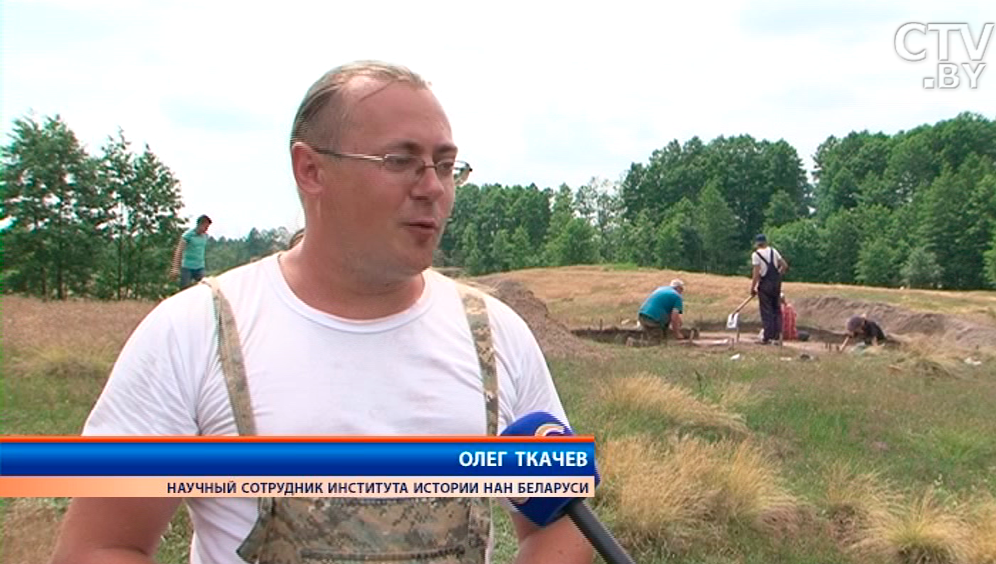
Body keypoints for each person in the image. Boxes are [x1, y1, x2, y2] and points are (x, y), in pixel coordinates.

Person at [50, 61, 592, 564]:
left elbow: (561, 525)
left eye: (446, 165)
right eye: (400, 161)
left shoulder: (498, 338)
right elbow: (102, 545)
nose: (432, 188)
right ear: (310, 170)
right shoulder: (193, 333)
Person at [750, 234, 788, 345]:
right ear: (766, 242)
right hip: (776, 284)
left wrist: (753, 288)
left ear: (757, 244)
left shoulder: (756, 255)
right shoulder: (773, 251)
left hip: (765, 285)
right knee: (776, 309)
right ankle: (777, 336)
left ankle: (767, 337)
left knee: (766, 311)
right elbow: (784, 265)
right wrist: (778, 275)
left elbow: (756, 273)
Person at [170, 215, 213, 289]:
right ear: (200, 224)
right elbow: (179, 251)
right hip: (187, 267)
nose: (206, 229)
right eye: (205, 227)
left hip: (199, 267)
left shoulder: (205, 236)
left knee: (203, 287)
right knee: (185, 289)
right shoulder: (187, 236)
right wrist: (175, 268)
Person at [638, 279, 686, 343]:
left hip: (642, 315)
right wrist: (677, 333)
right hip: (653, 318)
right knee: (656, 341)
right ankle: (634, 344)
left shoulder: (662, 289)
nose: (681, 292)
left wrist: (678, 321)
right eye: (682, 289)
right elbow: (674, 317)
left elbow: (670, 311)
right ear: (678, 288)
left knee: (654, 336)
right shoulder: (677, 296)